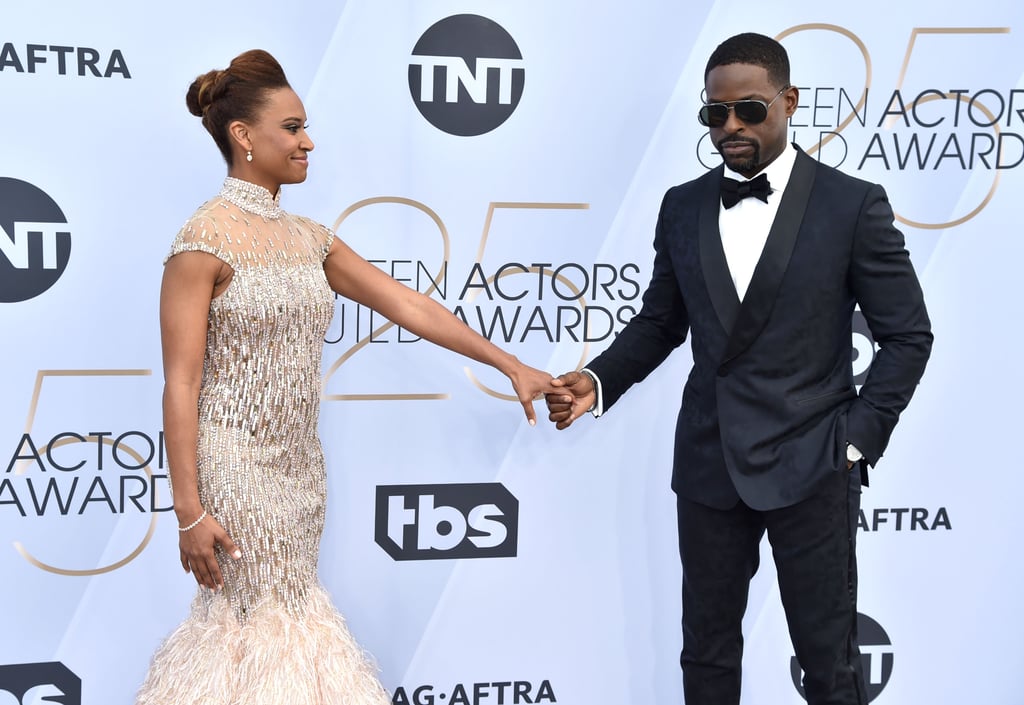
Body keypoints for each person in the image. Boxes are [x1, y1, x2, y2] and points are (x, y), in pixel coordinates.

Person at [135, 49, 558, 705]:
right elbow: (181, 383)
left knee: (283, 614)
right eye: (293, 127)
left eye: (305, 127)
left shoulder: (310, 237)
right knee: (257, 618)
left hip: (301, 466)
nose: (309, 141)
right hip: (234, 463)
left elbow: (409, 305)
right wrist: (189, 510)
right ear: (244, 137)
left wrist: (510, 364)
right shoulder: (203, 240)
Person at [545, 33, 932, 704]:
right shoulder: (683, 205)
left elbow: (908, 336)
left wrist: (858, 438)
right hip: (709, 462)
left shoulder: (852, 205)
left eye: (748, 110)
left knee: (830, 666)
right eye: (714, 114)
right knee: (708, 654)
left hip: (814, 462)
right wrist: (599, 379)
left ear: (788, 102)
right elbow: (661, 322)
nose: (729, 128)